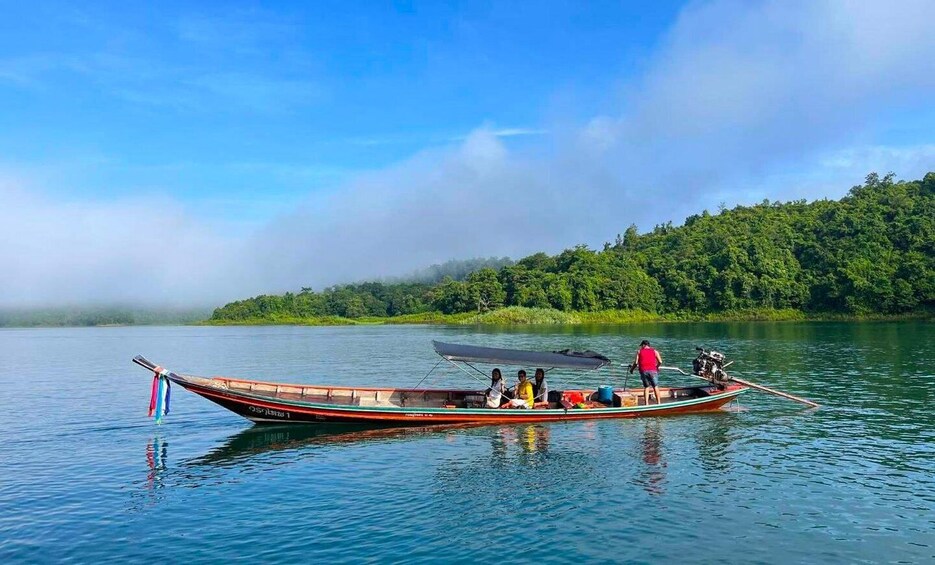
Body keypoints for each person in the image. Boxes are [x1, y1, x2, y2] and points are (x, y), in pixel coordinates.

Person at [631, 340, 663, 405]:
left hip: (643, 371)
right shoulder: (655, 351)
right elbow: (660, 361)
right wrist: (657, 367)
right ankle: (659, 403)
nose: (641, 347)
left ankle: (646, 404)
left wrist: (632, 369)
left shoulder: (639, 352)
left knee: (646, 387)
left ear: (644, 345)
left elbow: (636, 363)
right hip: (653, 371)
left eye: (641, 346)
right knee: (655, 386)